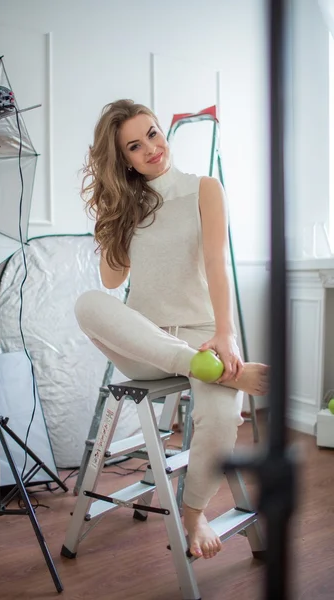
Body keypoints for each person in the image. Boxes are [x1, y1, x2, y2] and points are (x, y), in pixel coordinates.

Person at [75, 99, 269, 560]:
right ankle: (210, 370)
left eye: (154, 134)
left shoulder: (203, 188)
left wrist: (224, 334)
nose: (151, 149)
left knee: (222, 418)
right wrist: (111, 212)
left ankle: (194, 513)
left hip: (204, 334)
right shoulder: (125, 204)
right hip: (147, 339)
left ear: (164, 133)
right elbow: (111, 281)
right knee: (87, 304)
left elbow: (215, 265)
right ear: (123, 158)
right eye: (135, 146)